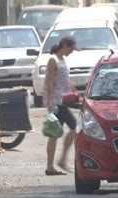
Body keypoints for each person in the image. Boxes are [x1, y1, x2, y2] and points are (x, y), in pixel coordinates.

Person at [45, 36, 79, 175]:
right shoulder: (53, 60)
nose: (71, 51)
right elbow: (49, 81)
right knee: (74, 127)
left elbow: (67, 81)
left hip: (64, 100)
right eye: (70, 48)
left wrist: (75, 92)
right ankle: (58, 162)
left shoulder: (63, 60)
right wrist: (49, 100)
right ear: (64, 45)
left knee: (55, 134)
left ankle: (52, 165)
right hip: (57, 102)